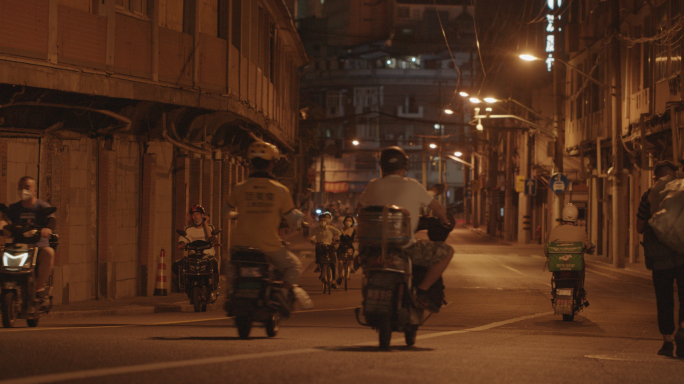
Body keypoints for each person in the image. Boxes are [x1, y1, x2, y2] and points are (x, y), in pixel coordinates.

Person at [358, 146, 454, 312]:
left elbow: (360, 207)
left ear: (381, 166)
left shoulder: (373, 185)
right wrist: (445, 221)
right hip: (405, 248)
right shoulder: (413, 185)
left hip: (372, 249)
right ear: (404, 167)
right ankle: (422, 291)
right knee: (447, 252)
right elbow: (437, 208)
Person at [225, 140, 305, 313]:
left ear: (249, 163)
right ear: (272, 163)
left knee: (232, 268)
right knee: (295, 266)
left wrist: (237, 215)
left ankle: (231, 292)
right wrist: (299, 222)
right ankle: (282, 292)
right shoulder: (280, 190)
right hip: (269, 246)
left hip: (239, 244)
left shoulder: (239, 188)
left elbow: (226, 210)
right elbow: (293, 219)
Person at [636, 160, 684, 357]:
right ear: (674, 175)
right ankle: (683, 331)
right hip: (683, 256)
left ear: (655, 176)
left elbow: (639, 227)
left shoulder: (648, 196)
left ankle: (667, 342)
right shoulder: (682, 193)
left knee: (664, 300)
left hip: (659, 259)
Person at [0, 176, 56, 298]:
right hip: (18, 246)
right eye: (20, 187)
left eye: (27, 187)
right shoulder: (14, 208)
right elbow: (5, 219)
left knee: (49, 253)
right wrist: (2, 227)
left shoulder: (42, 206)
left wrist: (47, 229)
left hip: (38, 246)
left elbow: (51, 219)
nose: (23, 190)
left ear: (34, 190)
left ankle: (38, 288)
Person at [546, 203, 595, 305]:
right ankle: (580, 289)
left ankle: (555, 290)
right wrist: (590, 249)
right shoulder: (581, 231)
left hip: (558, 267)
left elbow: (547, 248)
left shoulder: (555, 231)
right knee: (582, 267)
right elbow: (588, 246)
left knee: (555, 274)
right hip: (574, 268)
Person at [172, 205, 219, 292]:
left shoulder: (210, 227)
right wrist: (181, 244)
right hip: (193, 257)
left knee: (215, 265)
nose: (195, 216)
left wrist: (205, 223)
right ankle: (183, 286)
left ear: (202, 215)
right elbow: (183, 240)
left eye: (198, 214)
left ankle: (213, 287)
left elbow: (212, 239)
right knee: (176, 265)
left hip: (208, 256)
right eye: (193, 214)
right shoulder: (188, 229)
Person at [309, 211, 341, 288]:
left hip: (330, 246)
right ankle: (319, 266)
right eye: (321, 220)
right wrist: (313, 240)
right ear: (318, 221)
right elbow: (313, 236)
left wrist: (335, 239)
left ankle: (333, 281)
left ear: (326, 221)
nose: (323, 222)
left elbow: (339, 233)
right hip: (321, 246)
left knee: (333, 263)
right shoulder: (316, 229)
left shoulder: (331, 228)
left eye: (324, 220)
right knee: (318, 249)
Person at [336, 215, 357, 285]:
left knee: (350, 253)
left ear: (352, 222)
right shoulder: (340, 230)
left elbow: (355, 237)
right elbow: (337, 237)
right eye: (347, 220)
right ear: (344, 222)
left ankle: (351, 268)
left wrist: (355, 240)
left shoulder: (353, 231)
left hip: (349, 247)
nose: (348, 222)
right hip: (341, 248)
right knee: (340, 262)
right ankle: (339, 276)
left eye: (350, 221)